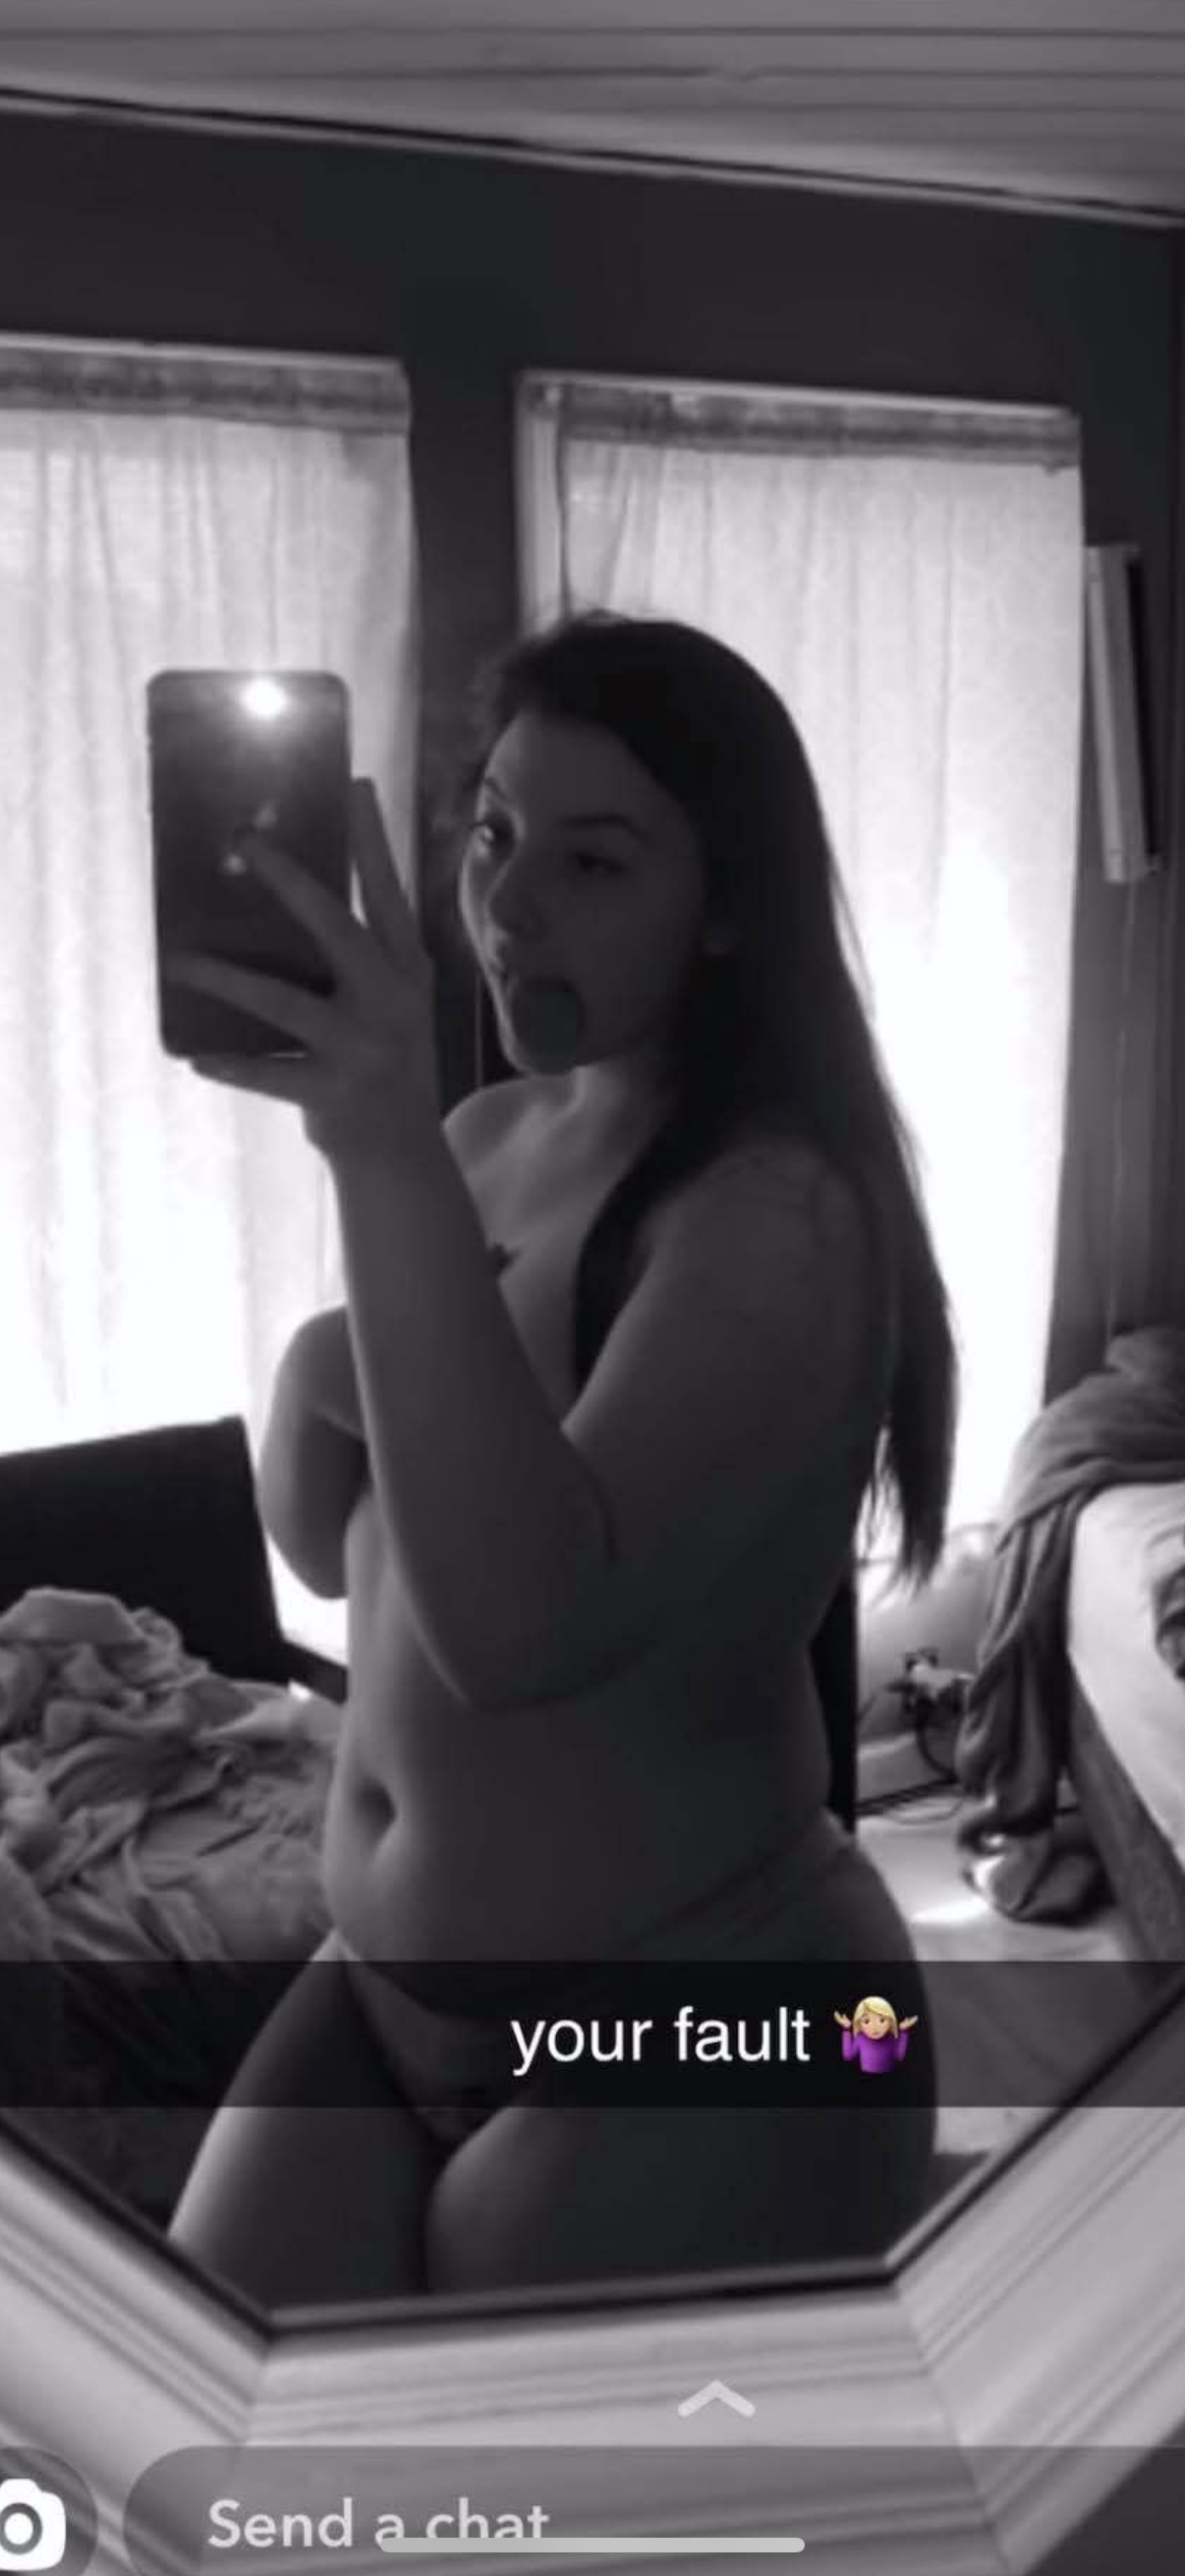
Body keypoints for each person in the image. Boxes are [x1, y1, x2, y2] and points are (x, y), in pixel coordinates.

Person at [166, 612, 956, 2307]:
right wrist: (322, 1361)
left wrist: (370, 1155)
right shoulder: (486, 1137)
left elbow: (516, 1633)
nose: (508, 905)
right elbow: (328, 1549)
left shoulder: (780, 1210)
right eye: (495, 834)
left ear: (727, 906)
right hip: (384, 1990)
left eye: (592, 862)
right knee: (194, 2416)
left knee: (516, 2457)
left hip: (705, 1992)